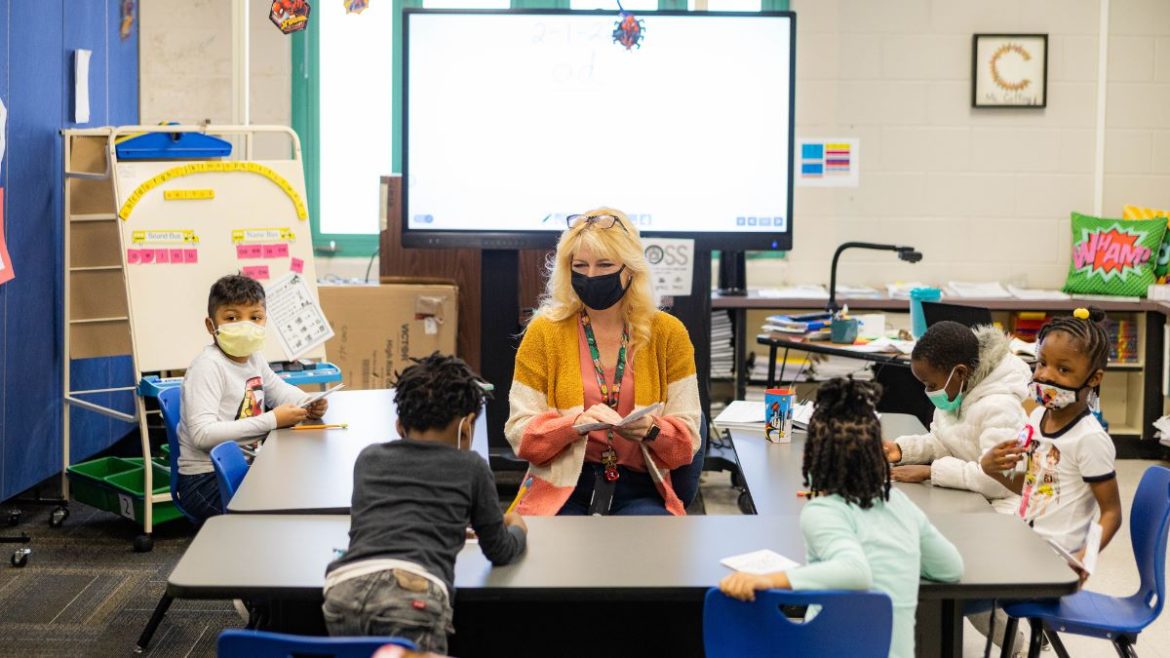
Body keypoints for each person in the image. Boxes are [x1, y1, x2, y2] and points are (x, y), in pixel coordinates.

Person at [719, 378, 964, 658]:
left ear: (813, 457)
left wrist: (770, 579)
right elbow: (950, 568)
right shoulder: (898, 503)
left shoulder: (821, 511)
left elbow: (855, 571)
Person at [323, 353, 527, 653]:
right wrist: (518, 528)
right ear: (467, 426)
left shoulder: (369, 458)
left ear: (399, 425)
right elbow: (500, 550)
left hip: (342, 590)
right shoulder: (471, 466)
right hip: (411, 598)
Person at [506, 208, 701, 516]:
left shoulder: (669, 334)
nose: (591, 276)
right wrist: (573, 426)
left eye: (605, 265)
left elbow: (687, 443)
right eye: (579, 266)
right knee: (553, 557)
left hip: (641, 487)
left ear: (631, 269)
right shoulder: (544, 332)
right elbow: (521, 436)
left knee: (646, 554)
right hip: (563, 485)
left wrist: (652, 430)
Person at [981, 307, 1123, 578]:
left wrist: (1085, 559)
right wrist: (992, 469)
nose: (1045, 375)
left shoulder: (1090, 439)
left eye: (1063, 369)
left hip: (1054, 561)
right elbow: (1033, 487)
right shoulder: (1036, 417)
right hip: (1026, 544)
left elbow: (1111, 513)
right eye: (1042, 363)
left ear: (1094, 378)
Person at [176, 274, 327, 522]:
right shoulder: (208, 367)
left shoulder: (253, 357)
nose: (245, 325)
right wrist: (272, 420)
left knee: (306, 484)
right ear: (211, 325)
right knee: (292, 509)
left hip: (245, 466)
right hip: (205, 480)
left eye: (255, 317)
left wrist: (306, 402)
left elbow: (278, 389)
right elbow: (203, 435)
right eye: (232, 318)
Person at [883, 321, 1030, 513]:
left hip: (1003, 508)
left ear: (960, 372)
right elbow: (945, 443)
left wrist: (931, 472)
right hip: (970, 496)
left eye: (931, 385)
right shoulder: (956, 393)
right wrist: (903, 450)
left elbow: (1000, 481)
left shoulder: (1001, 407)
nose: (928, 392)